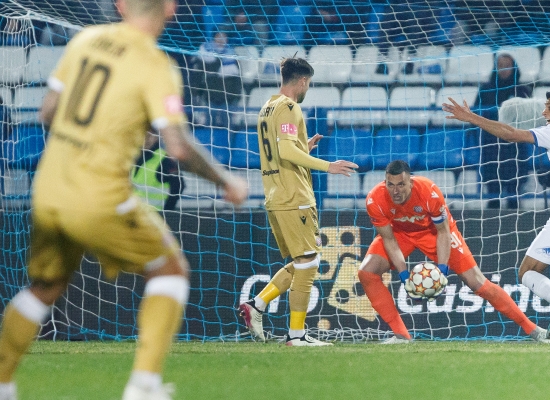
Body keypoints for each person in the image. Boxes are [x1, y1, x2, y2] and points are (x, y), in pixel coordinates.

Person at [0, 1, 248, 399]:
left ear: (120, 4)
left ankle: (3, 385)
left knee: (44, 287)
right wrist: (227, 180)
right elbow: (179, 148)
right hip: (99, 196)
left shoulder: (86, 40)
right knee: (170, 271)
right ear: (170, 8)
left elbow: (47, 112)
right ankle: (143, 386)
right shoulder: (154, 64)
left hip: (49, 190)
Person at [443, 31, 550, 343]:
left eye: (549, 107)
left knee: (527, 271)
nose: (543, 113)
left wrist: (471, 116)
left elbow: (511, 133)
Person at [358, 160, 550, 344]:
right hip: (400, 234)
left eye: (401, 184)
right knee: (366, 272)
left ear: (410, 181)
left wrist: (442, 273)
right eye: (390, 185)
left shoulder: (429, 192)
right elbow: (389, 239)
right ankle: (402, 336)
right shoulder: (375, 200)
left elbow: (443, 232)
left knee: (479, 283)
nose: (395, 191)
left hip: (434, 233)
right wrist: (404, 277)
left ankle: (535, 331)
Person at [237, 57, 358, 346]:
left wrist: (304, 147)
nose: (307, 89)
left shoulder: (268, 106)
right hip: (294, 195)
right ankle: (296, 335)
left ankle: (257, 305)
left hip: (275, 194)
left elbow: (282, 150)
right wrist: (327, 165)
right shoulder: (291, 107)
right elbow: (287, 152)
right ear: (302, 80)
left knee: (302, 261)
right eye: (309, 83)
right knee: (309, 261)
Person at [474, 53, 532, 208]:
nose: (504, 69)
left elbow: (528, 116)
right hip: (491, 145)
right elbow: (476, 114)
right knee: (493, 193)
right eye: (501, 66)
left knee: (514, 194)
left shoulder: (522, 91)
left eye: (507, 66)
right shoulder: (485, 90)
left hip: (514, 146)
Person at [131, 131, 183, 211]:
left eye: (149, 136)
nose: (146, 140)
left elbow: (178, 186)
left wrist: (167, 212)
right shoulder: (134, 157)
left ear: (156, 137)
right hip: (134, 214)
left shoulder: (165, 160)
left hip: (156, 215)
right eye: (143, 136)